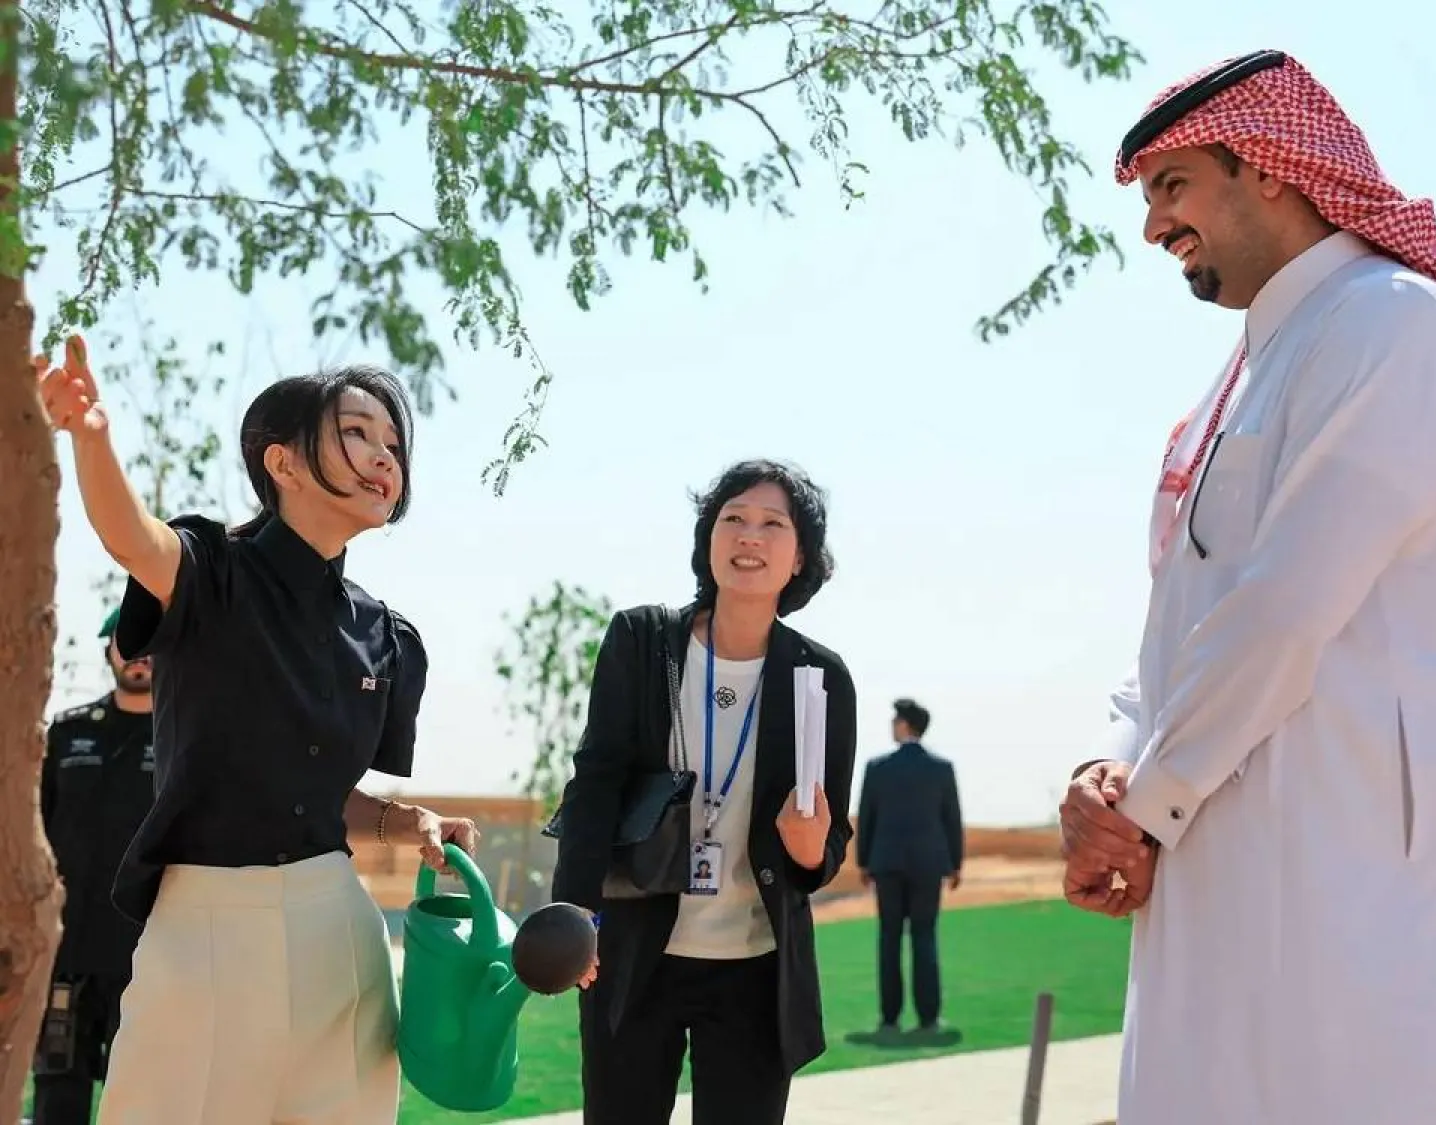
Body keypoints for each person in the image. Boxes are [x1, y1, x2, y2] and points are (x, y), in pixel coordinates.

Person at [1057, 50, 1436, 1125]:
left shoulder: (1392, 321)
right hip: (1214, 853)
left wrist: (1152, 806)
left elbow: (1287, 607)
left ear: (1271, 167)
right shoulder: (1244, 373)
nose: (1154, 228)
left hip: (1349, 878)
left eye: (1173, 186)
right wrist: (1109, 772)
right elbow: (1183, 614)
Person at [37, 335, 480, 1125]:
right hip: (203, 927)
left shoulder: (386, 635)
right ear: (283, 463)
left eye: (392, 443)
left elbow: (320, 792)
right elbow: (131, 537)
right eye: (355, 432)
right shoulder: (212, 571)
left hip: (336, 930)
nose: (383, 456)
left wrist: (399, 821)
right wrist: (92, 440)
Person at [549, 458, 858, 1125]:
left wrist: (809, 848)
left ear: (801, 555)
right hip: (634, 955)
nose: (749, 536)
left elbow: (826, 848)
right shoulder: (641, 640)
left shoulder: (820, 676)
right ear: (709, 538)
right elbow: (595, 783)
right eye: (733, 519)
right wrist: (577, 918)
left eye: (772, 524)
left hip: (756, 968)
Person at [30, 607, 156, 1125]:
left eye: (152, 643)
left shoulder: (189, 743)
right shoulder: (65, 734)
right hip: (68, 956)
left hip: (151, 958)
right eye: (128, 642)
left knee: (150, 1101)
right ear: (109, 650)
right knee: (58, 1098)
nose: (140, 655)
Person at [853, 697, 962, 1041]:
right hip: (929, 864)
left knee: (889, 940)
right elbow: (951, 819)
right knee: (924, 938)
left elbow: (865, 817)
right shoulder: (941, 768)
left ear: (904, 725)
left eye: (895, 720)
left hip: (885, 863)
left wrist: (863, 861)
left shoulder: (877, 767)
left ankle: (889, 1018)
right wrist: (955, 863)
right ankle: (929, 1018)